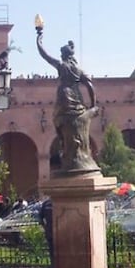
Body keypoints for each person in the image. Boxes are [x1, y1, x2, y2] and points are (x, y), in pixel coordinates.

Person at [37, 30, 101, 173]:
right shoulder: (78, 70)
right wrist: (93, 105)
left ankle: (69, 154)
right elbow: (90, 85)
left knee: (59, 121)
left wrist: (39, 41)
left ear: (64, 56)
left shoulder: (62, 65)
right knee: (74, 124)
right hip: (77, 101)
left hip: (64, 98)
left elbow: (45, 56)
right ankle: (75, 155)